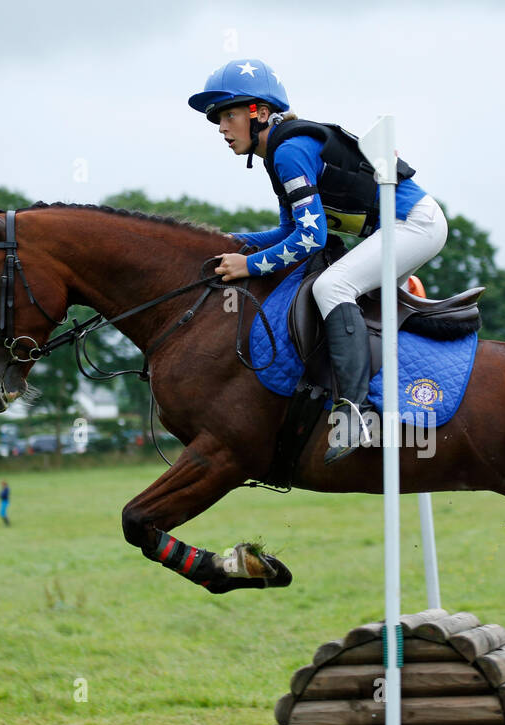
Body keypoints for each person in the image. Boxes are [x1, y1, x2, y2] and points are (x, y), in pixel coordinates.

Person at [189, 59, 448, 464]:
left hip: (413, 224)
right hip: (394, 229)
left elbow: (312, 238)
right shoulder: (281, 155)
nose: (221, 128)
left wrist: (250, 266)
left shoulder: (290, 152)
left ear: (258, 113)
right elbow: (288, 231)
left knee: (332, 286)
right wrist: (232, 243)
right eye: (218, 120)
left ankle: (357, 413)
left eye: (229, 115)